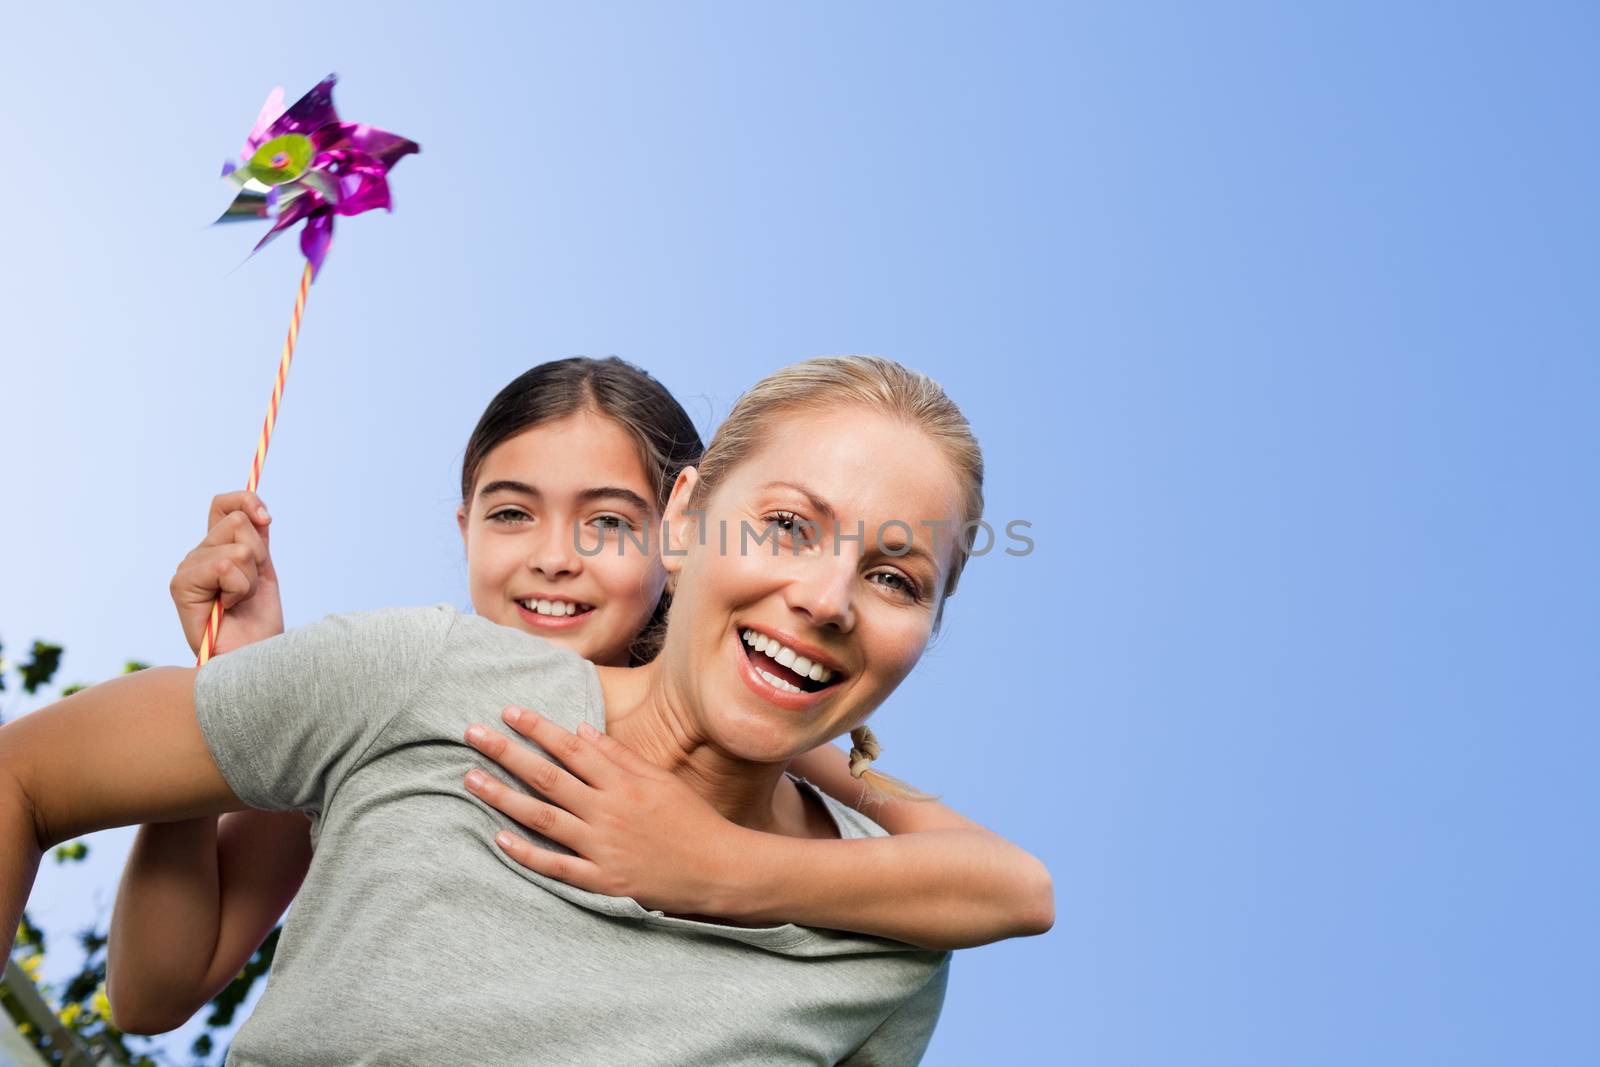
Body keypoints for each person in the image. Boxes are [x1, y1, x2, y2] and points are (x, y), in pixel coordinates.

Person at [1, 356, 1051, 1065]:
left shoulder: (890, 922)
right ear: (691, 523)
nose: (554, 556)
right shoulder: (414, 679)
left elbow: (1015, 884)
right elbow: (149, 983)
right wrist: (233, 688)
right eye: (784, 525)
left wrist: (721, 861)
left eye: (899, 577)